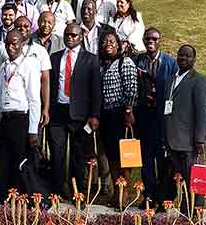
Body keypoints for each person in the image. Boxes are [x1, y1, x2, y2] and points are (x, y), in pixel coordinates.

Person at [47, 23, 101, 199]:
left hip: (80, 115)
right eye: (67, 35)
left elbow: (95, 89)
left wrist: (94, 115)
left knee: (78, 156)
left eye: (74, 35)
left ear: (80, 37)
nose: (70, 38)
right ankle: (57, 190)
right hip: (57, 112)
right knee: (57, 153)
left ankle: (77, 190)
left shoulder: (91, 59)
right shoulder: (54, 57)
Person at [0, 30, 43, 200]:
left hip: (21, 119)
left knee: (21, 161)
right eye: (7, 43)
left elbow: (34, 99)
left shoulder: (29, 65)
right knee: (4, 161)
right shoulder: (4, 66)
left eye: (14, 43)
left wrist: (33, 130)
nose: (10, 47)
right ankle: (5, 199)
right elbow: (0, 95)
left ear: (22, 44)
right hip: (6, 119)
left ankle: (28, 199)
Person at [132, 27, 178, 208]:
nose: (151, 41)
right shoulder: (137, 61)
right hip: (143, 118)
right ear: (143, 40)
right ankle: (148, 195)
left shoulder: (170, 63)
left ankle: (163, 196)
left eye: (154, 38)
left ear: (160, 41)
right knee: (146, 158)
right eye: (147, 38)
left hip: (163, 119)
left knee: (163, 159)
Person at [164, 45, 206, 206]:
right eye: (181, 55)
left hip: (190, 142)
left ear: (194, 59)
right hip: (171, 140)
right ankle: (183, 211)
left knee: (195, 179)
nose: (183, 58)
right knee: (180, 179)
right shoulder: (170, 80)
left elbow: (203, 111)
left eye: (188, 56)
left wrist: (200, 139)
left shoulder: (199, 80)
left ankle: (195, 212)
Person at [97, 30, 137, 202]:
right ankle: (116, 191)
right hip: (106, 115)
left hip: (121, 113)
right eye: (105, 42)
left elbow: (131, 87)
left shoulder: (125, 62)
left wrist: (128, 111)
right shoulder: (103, 65)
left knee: (124, 155)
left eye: (112, 41)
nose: (109, 44)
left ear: (119, 44)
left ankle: (125, 193)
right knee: (111, 154)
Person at [12, 15, 52, 141]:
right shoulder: (6, 48)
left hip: (34, 104)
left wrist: (45, 108)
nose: (22, 29)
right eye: (18, 26)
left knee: (33, 144)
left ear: (31, 28)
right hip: (13, 106)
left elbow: (45, 80)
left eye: (26, 26)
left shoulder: (40, 51)